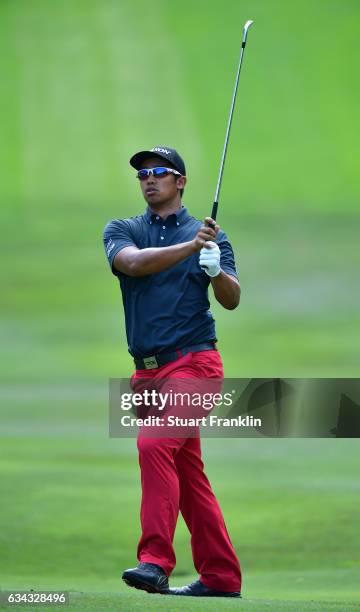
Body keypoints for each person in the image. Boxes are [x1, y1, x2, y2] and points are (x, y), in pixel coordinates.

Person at [103, 146, 242, 598]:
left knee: (153, 444)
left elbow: (232, 298)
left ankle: (155, 562)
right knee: (188, 476)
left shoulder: (209, 236)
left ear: (179, 181)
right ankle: (221, 578)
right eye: (143, 173)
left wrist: (215, 269)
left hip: (195, 363)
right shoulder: (124, 229)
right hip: (145, 375)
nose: (149, 179)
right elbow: (132, 263)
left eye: (159, 172)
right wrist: (192, 248)